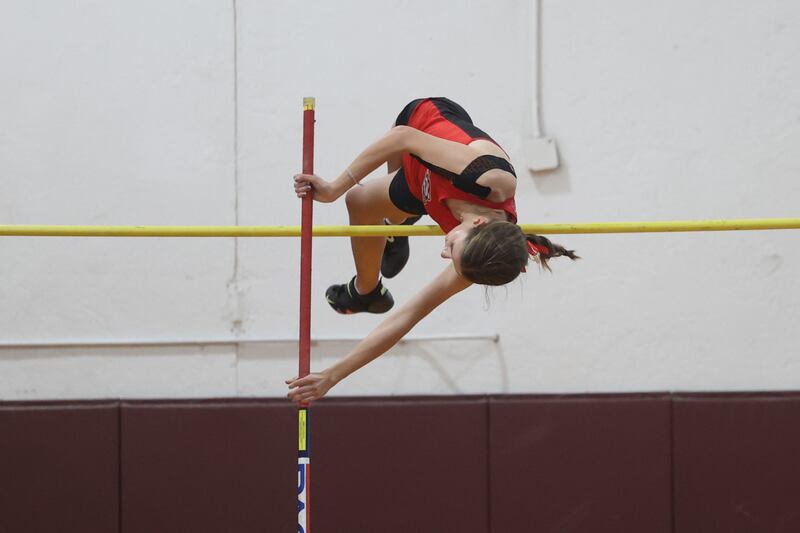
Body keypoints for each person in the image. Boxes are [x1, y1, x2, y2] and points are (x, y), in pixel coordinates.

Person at [286, 97, 577, 404]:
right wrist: (332, 189)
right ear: (478, 222)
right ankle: (384, 255)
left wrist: (332, 376)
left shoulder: (476, 259)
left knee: (362, 204)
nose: (443, 254)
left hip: (422, 191)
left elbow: (409, 316)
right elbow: (402, 138)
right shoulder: (491, 178)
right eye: (452, 247)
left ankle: (380, 264)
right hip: (420, 127)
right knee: (353, 199)